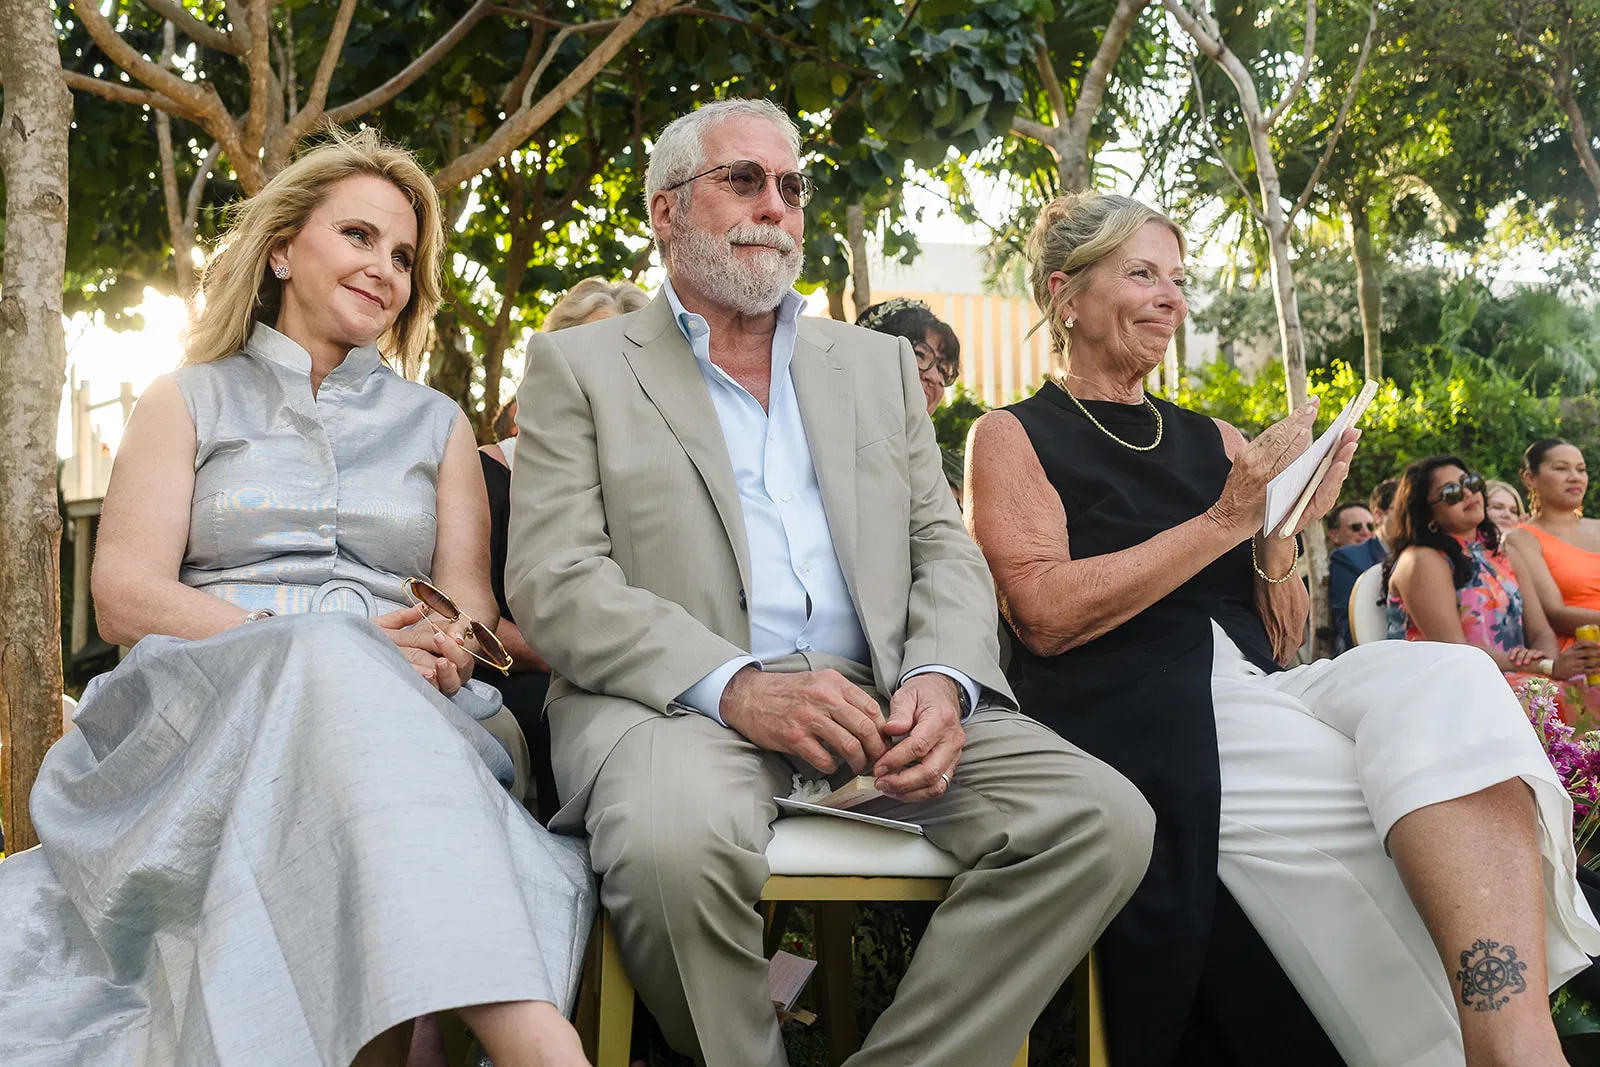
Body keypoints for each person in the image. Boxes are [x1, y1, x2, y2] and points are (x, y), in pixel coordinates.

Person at [506, 99, 1154, 1067]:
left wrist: (940, 678)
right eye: (743, 180)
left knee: (1102, 820)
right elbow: (554, 577)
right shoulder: (579, 365)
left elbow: (942, 545)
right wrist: (738, 686)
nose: (775, 205)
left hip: (884, 699)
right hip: (681, 707)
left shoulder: (876, 364)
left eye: (791, 185)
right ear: (665, 210)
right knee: (668, 847)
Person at [0, 129, 594, 1067]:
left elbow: (468, 610)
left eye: (403, 255)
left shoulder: (438, 423)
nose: (385, 268)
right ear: (281, 249)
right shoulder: (184, 398)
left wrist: (449, 646)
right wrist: (331, 639)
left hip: (413, 706)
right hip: (202, 702)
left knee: (357, 714)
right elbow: (123, 597)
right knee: (331, 664)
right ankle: (538, 1047)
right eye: (359, 235)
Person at [965, 191, 1600, 1067]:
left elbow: (1286, 637)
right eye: (1142, 274)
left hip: (1261, 685)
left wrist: (1281, 531)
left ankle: (1512, 1039)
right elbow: (1042, 614)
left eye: (1178, 279)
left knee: (1456, 678)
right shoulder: (1012, 435)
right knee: (1388, 791)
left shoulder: (1219, 438)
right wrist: (1226, 520)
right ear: (1064, 293)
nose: (1170, 298)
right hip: (1136, 703)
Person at [479, 277, 650, 823]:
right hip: (517, 672)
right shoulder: (482, 472)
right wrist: (574, 654)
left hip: (626, 671)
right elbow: (466, 610)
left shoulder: (649, 486)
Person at [1385, 455, 1600, 725]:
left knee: (1586, 690)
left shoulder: (1502, 553)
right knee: (1555, 699)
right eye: (1451, 493)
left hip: (1515, 675)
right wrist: (1546, 667)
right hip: (1450, 686)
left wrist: (1549, 661)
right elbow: (1456, 651)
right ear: (1427, 513)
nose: (1468, 493)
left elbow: (1540, 631)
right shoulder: (1422, 559)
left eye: (1471, 482)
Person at [856, 297, 964, 490]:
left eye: (943, 370)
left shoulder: (956, 471)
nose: (934, 377)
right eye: (920, 355)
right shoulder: (835, 447)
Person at [1506, 440, 1600, 641]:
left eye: (1581, 470)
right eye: (1561, 468)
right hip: (1582, 649)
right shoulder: (1521, 539)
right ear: (1530, 478)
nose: (1575, 477)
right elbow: (1555, 614)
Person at [1328, 479, 1397, 651]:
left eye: (1369, 526)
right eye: (1356, 527)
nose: (1366, 532)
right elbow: (1352, 627)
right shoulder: (1346, 558)